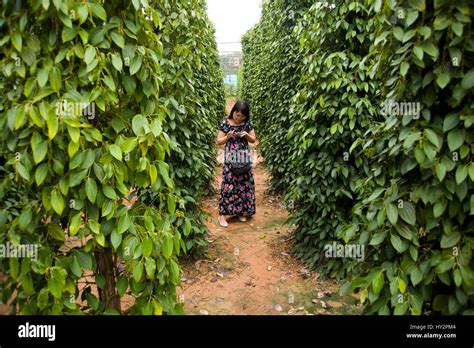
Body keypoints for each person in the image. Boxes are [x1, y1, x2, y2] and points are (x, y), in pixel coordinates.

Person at [216, 100, 257, 227]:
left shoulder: (247, 124)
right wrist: (228, 137)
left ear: (246, 116)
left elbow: (253, 139)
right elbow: (218, 141)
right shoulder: (226, 123)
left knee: (244, 182)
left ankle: (241, 211)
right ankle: (222, 215)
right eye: (236, 114)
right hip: (231, 158)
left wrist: (246, 135)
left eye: (242, 116)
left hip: (243, 156)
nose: (238, 118)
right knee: (229, 183)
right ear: (233, 111)